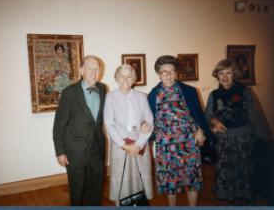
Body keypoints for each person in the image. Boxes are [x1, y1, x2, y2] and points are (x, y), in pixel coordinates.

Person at [148, 55, 213, 206]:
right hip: (165, 146)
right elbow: (149, 117)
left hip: (188, 143)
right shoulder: (153, 95)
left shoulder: (189, 91)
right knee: (170, 181)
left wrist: (200, 130)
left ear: (176, 72)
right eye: (164, 72)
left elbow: (198, 114)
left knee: (192, 179)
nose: (168, 75)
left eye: (171, 71)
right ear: (158, 73)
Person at [205, 59, 271, 205]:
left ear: (234, 74)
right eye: (221, 73)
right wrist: (214, 122)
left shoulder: (244, 91)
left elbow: (255, 114)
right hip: (224, 140)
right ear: (217, 75)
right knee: (226, 169)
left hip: (244, 139)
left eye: (228, 73)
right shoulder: (214, 94)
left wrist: (262, 138)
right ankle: (228, 196)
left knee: (244, 169)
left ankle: (245, 198)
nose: (225, 77)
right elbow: (208, 114)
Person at [53, 55, 107, 206]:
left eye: (97, 69)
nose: (94, 72)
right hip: (75, 151)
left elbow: (105, 118)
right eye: (90, 68)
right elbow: (59, 125)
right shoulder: (69, 93)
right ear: (81, 70)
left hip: (97, 149)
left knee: (96, 188)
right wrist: (60, 152)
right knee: (77, 190)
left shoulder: (103, 89)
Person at [104, 64, 153, 205]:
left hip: (140, 145)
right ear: (116, 78)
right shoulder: (110, 97)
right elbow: (109, 123)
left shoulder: (142, 97)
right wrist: (124, 145)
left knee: (140, 178)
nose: (125, 79)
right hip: (120, 146)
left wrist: (138, 144)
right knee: (121, 179)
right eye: (121, 76)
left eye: (129, 76)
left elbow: (149, 121)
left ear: (134, 79)